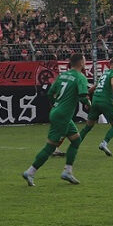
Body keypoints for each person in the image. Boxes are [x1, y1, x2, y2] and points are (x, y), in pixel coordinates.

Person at [22, 53, 90, 187]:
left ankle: (68, 171)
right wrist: (89, 104)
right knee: (50, 147)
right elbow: (83, 96)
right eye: (84, 60)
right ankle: (30, 171)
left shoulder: (63, 75)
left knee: (76, 140)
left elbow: (50, 93)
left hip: (57, 111)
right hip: (63, 115)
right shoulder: (80, 77)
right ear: (81, 63)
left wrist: (57, 105)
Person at [77, 56, 113, 156]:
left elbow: (94, 87)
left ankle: (74, 145)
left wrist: (87, 95)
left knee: (88, 126)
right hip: (106, 102)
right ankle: (104, 143)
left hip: (96, 101)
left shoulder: (104, 74)